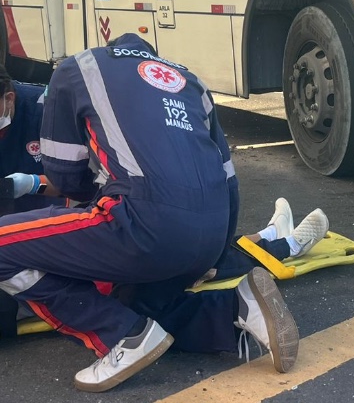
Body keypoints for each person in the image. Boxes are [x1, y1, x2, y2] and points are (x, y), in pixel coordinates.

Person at [0, 34, 328, 392]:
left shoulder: (77, 69)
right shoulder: (191, 83)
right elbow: (229, 181)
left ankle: (120, 336)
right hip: (210, 232)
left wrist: (62, 189)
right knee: (137, 304)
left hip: (140, 220)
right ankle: (235, 309)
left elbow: (66, 177)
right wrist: (214, 255)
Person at [0, 64, 64, 214]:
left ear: (9, 98)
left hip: (42, 211)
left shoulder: (49, 110)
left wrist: (33, 184)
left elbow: (69, 185)